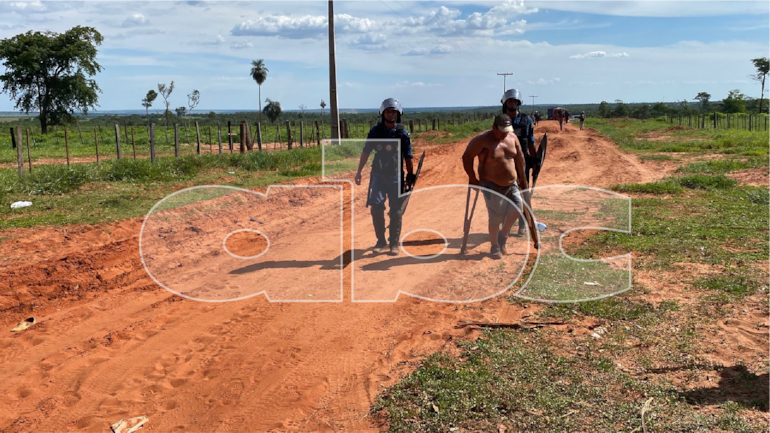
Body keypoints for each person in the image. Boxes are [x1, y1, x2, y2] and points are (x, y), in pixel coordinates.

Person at [462, 114, 538, 259]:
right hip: (491, 185)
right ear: (494, 127)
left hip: (511, 183)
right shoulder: (482, 140)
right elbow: (467, 157)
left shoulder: (512, 137)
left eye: (507, 130)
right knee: (495, 218)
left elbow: (520, 156)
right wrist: (472, 178)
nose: (504, 133)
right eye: (501, 130)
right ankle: (494, 246)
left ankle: (503, 236)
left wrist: (523, 178)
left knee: (517, 208)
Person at [355, 98, 416, 255]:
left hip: (396, 175)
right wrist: (359, 171)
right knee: (376, 208)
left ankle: (394, 243)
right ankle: (381, 241)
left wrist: (410, 174)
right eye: (388, 111)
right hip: (378, 175)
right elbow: (366, 151)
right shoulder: (375, 131)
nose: (391, 114)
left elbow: (408, 155)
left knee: (396, 210)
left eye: (393, 111)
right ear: (382, 113)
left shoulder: (402, 133)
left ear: (398, 114)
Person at [500, 89, 537, 236]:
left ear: (518, 103)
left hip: (523, 162)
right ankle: (505, 226)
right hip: (505, 163)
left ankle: (522, 223)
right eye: (510, 101)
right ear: (505, 103)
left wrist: (535, 161)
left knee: (523, 194)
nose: (512, 103)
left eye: (514, 101)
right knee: (505, 193)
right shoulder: (500, 120)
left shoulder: (526, 120)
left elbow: (530, 141)